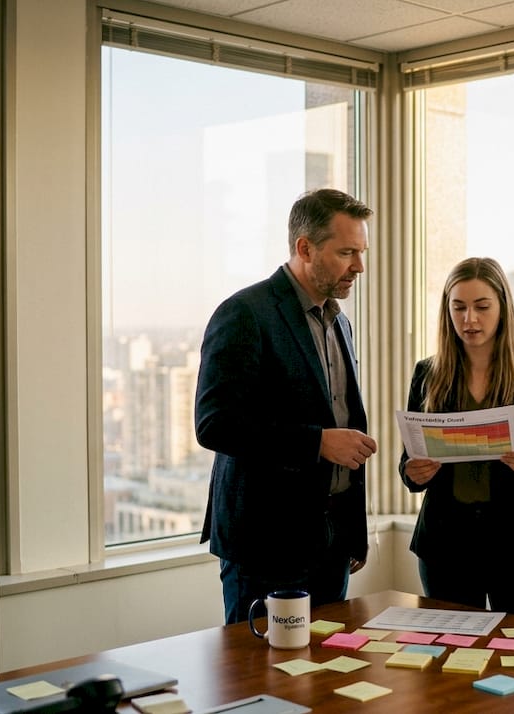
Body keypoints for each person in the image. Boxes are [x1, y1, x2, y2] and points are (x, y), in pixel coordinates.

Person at [195, 188, 378, 625]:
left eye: (361, 252)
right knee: (259, 681)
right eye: (347, 252)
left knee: (329, 681)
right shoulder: (244, 313)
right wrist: (317, 443)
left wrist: (352, 535)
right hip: (264, 547)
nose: (359, 266)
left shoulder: (341, 322)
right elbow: (215, 425)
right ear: (304, 248)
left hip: (331, 544)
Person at [398, 257, 514, 621]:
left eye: (481, 307)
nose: (469, 319)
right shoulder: (427, 373)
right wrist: (414, 472)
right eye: (458, 307)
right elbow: (407, 467)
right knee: (451, 663)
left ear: (503, 308)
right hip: (445, 546)